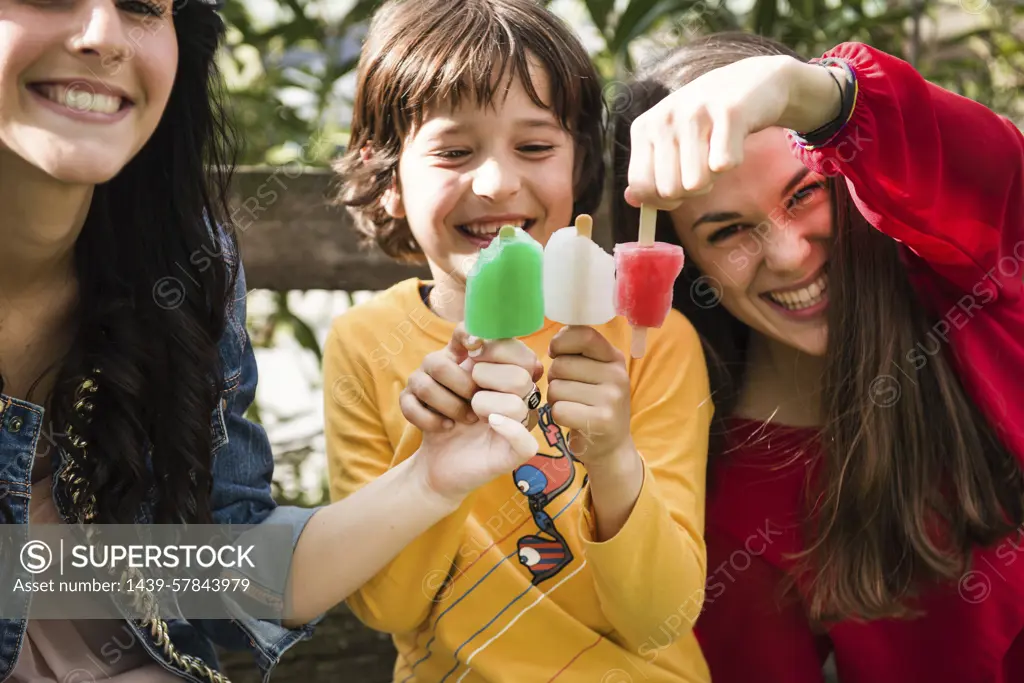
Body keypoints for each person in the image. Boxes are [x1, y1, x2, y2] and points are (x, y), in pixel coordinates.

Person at [0, 1, 544, 681]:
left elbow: (221, 576)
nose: (103, 36)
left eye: (143, 5)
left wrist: (427, 477)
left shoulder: (184, 263)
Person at [613, 31, 1024, 682]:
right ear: (687, 264)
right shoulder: (722, 501)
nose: (787, 253)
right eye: (728, 230)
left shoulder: (979, 285)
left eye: (803, 193)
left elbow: (1001, 170)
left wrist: (808, 91)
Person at [324, 0, 714, 681]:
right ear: (387, 177)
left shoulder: (654, 342)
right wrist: (430, 458)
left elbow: (662, 615)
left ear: (578, 163)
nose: (498, 181)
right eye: (453, 151)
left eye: (534, 146)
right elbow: (388, 607)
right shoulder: (364, 344)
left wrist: (616, 456)